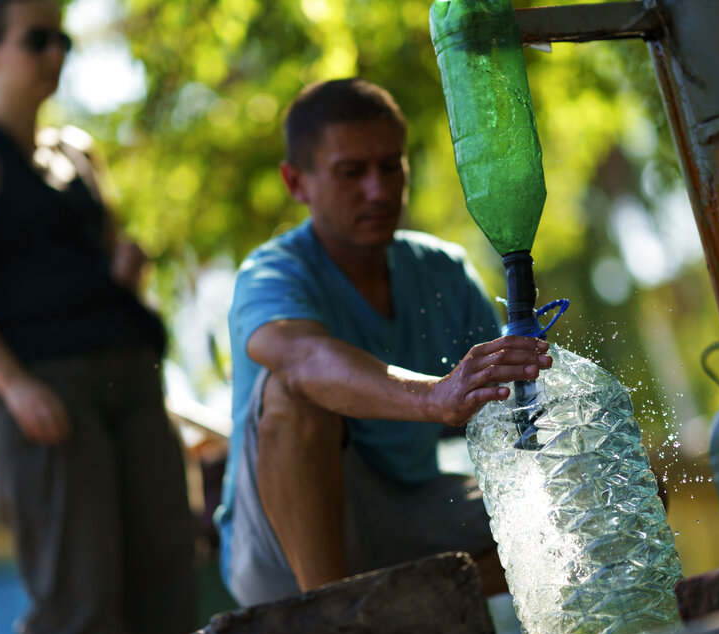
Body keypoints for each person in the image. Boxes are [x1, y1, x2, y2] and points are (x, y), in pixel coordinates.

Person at [0, 1, 195, 634]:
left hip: (130, 380)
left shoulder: (78, 151)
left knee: (165, 596)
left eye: (62, 41)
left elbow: (103, 274)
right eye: (36, 40)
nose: (54, 55)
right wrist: (14, 385)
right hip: (47, 391)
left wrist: (123, 275)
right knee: (77, 603)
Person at [218, 78, 552, 607]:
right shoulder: (271, 274)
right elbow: (304, 361)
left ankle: (402, 608)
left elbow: (516, 417)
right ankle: (333, 628)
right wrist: (435, 396)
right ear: (296, 182)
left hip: (416, 514)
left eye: (390, 166)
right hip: (283, 556)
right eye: (351, 172)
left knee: (610, 486)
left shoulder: (443, 271)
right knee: (291, 395)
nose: (377, 190)